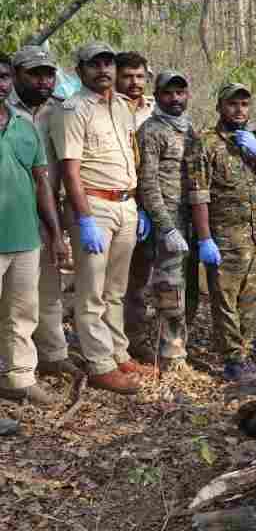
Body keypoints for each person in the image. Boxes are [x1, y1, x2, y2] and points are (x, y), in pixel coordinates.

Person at [51, 41, 150, 394]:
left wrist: (136, 204)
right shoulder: (72, 110)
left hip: (125, 204)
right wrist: (84, 218)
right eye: (95, 65)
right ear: (80, 70)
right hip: (93, 205)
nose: (103, 70)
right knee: (91, 292)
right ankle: (98, 364)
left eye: (108, 63)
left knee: (115, 290)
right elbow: (70, 170)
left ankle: (118, 353)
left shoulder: (122, 107)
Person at [186, 82, 256, 382]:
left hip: (254, 236)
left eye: (244, 105)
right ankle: (233, 359)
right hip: (223, 237)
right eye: (232, 104)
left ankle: (246, 352)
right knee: (225, 301)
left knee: (250, 299)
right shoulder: (206, 143)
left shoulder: (252, 140)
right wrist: (204, 239)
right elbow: (198, 194)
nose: (239, 110)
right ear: (220, 107)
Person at [0, 54, 69, 407]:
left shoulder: (24, 126)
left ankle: (20, 377)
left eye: (3, 77)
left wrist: (56, 233)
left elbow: (42, 181)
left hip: (26, 233)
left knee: (22, 311)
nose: (0, 85)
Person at [136, 71, 198, 373]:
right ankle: (171, 354)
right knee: (169, 288)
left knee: (189, 287)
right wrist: (166, 226)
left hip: (193, 219)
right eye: (168, 93)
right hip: (169, 221)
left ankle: (184, 343)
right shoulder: (151, 130)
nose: (175, 99)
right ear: (158, 95)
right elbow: (147, 182)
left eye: (180, 93)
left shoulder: (189, 130)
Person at [115, 52, 157, 361]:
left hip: (152, 205)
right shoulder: (106, 108)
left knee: (140, 278)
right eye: (128, 76)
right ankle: (110, 342)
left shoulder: (154, 109)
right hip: (119, 200)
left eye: (140, 76)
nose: (134, 83)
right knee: (114, 280)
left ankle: (136, 337)